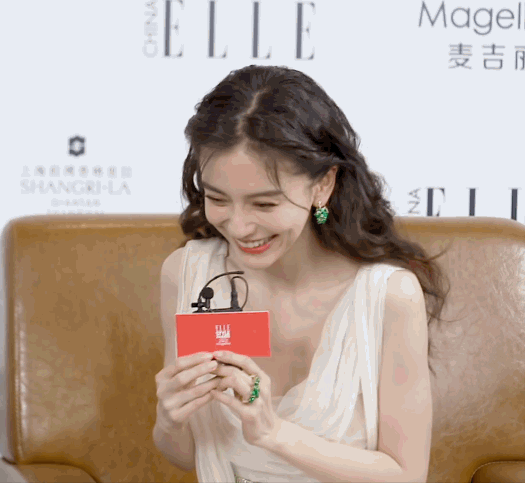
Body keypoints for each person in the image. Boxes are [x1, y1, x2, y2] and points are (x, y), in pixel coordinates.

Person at [154, 65, 451, 483]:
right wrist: (169, 420)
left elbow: (406, 475)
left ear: (323, 185)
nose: (239, 226)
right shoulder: (189, 274)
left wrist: (274, 434)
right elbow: (187, 455)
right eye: (218, 199)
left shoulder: (387, 296)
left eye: (264, 204)